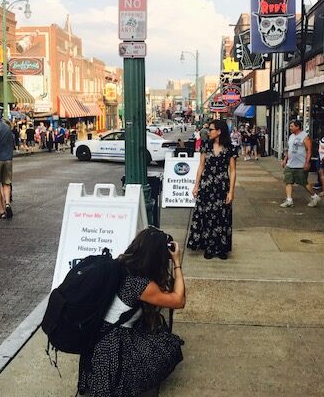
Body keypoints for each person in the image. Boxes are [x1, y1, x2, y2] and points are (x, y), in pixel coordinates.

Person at [78, 227, 185, 397]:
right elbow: (178, 301)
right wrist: (177, 263)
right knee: (168, 347)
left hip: (98, 338)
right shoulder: (141, 284)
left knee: (152, 330)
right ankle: (125, 382)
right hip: (113, 344)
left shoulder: (121, 264)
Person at [187, 119, 237, 259]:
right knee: (207, 216)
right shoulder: (205, 146)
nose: (208, 132)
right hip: (207, 185)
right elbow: (201, 166)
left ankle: (221, 248)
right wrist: (196, 185)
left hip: (222, 186)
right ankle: (208, 247)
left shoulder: (230, 148)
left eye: (211, 129)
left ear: (219, 131)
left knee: (222, 217)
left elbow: (232, 171)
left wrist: (231, 191)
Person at [280, 120, 321, 208]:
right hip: (290, 164)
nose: (290, 128)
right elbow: (289, 149)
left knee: (304, 183)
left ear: (297, 126)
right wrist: (285, 159)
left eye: (292, 126)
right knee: (288, 181)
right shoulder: (291, 136)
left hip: (300, 164)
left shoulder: (305, 137)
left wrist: (307, 162)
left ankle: (314, 196)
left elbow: (309, 150)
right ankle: (289, 200)